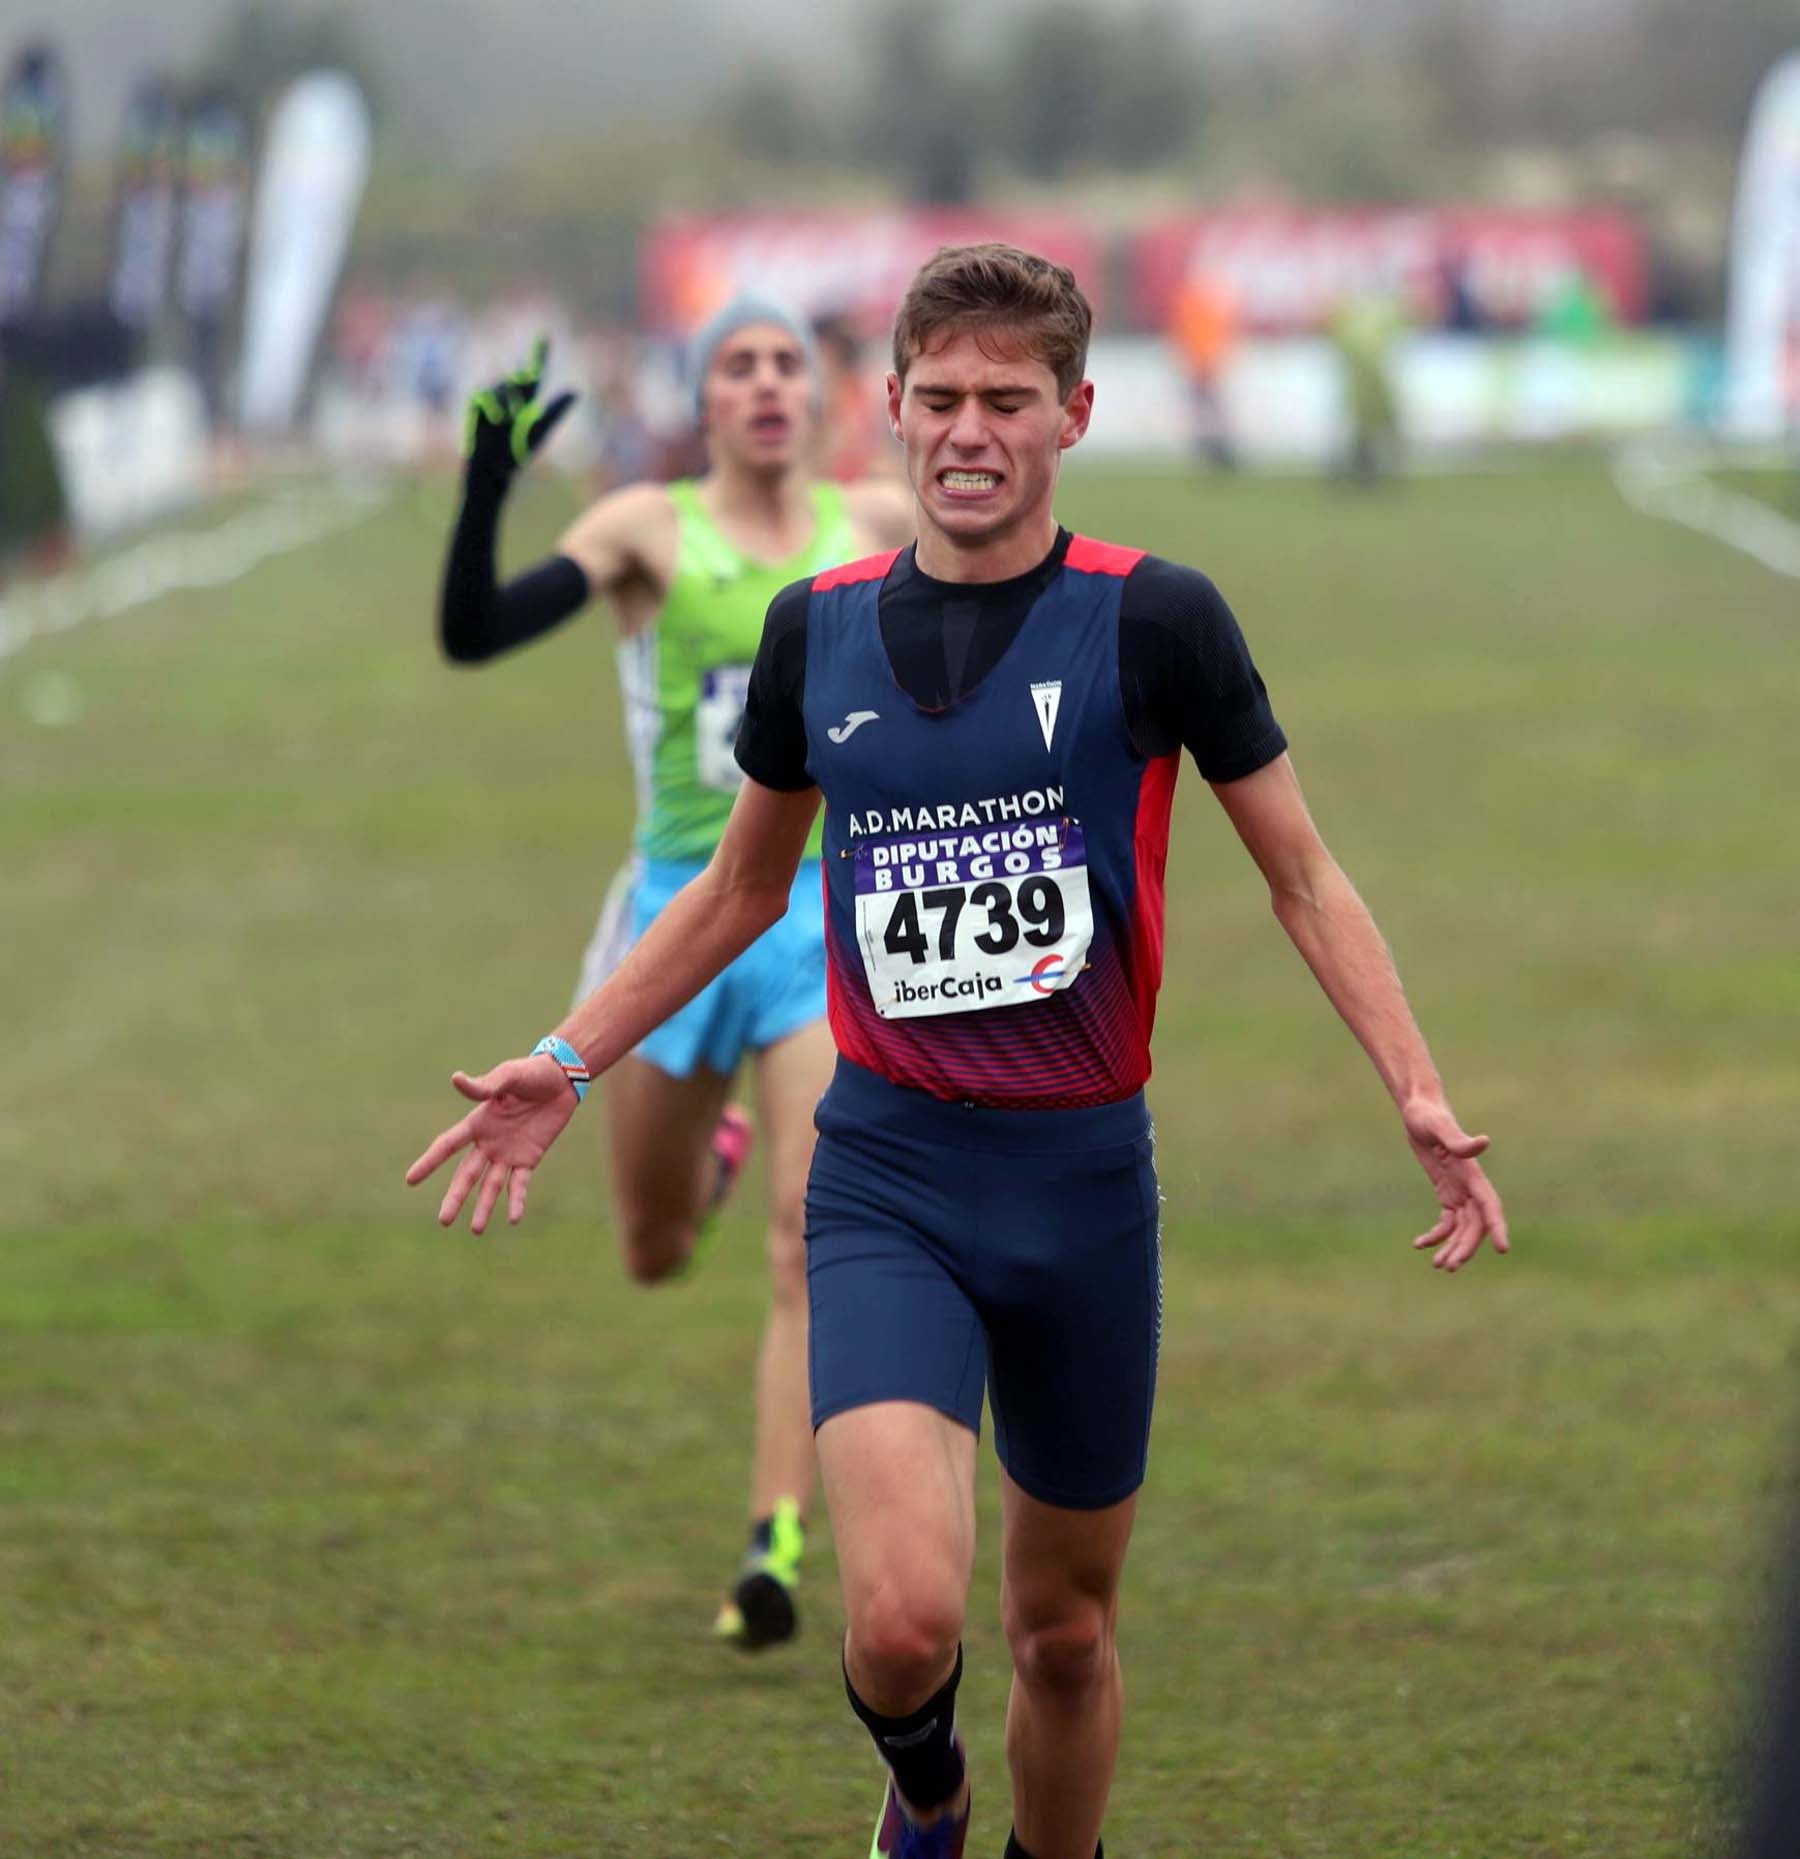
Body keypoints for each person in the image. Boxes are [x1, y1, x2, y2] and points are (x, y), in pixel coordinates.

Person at [410, 244, 1509, 1858]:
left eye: (1009, 400)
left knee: (1063, 1635)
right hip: (892, 1175)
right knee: (908, 1624)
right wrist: (565, 1063)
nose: (971, 431)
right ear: (895, 411)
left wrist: (1415, 1087)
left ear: (1075, 412)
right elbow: (736, 889)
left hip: (1079, 1189)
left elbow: (1302, 872)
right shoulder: (818, 633)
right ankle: (925, 1790)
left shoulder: (1158, 621)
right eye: (940, 400)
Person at [436, 298, 913, 1649]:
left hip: (820, 919)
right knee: (652, 1252)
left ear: (823, 397)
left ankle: (775, 1539)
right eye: (736, 367)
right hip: (672, 929)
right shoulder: (650, 530)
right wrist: (487, 477)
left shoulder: (873, 532)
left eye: (786, 365)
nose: (766, 385)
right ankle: (694, 1159)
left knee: (806, 1236)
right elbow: (474, 630)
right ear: (702, 404)